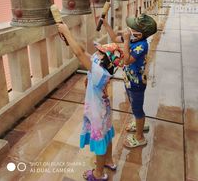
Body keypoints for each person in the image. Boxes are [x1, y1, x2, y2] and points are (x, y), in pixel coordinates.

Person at [57, 23, 124, 181]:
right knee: (106, 134)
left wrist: (67, 31)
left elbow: (81, 54)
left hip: (97, 112)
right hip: (104, 110)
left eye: (100, 52)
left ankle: (98, 174)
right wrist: (69, 39)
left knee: (99, 140)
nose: (96, 52)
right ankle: (108, 160)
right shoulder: (101, 66)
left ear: (106, 61)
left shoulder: (99, 72)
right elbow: (82, 52)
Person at [102, 13, 157, 148]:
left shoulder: (142, 45)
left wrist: (126, 41)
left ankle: (140, 137)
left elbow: (126, 60)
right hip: (129, 81)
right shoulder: (133, 39)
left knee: (138, 109)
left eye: (133, 29)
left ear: (141, 34)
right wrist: (106, 25)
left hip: (137, 83)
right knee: (133, 104)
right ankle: (139, 124)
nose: (129, 30)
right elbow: (115, 37)